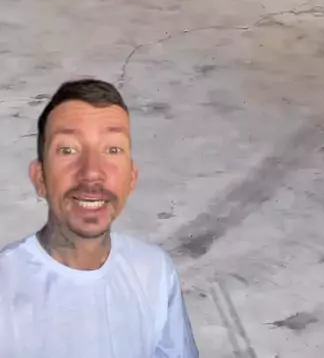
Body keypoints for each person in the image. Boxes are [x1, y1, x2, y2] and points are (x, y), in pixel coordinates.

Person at [0, 77, 199, 358]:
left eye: (112, 150)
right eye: (68, 150)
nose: (92, 172)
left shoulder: (155, 272)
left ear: (131, 178)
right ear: (40, 177)